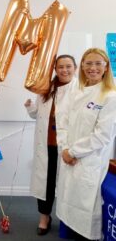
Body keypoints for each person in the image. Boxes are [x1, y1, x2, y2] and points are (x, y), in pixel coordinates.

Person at [56, 48, 116, 241]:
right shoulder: (76, 90)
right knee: (68, 208)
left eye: (98, 63)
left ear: (106, 67)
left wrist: (73, 152)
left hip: (89, 161)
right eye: (88, 63)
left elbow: (102, 136)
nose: (93, 68)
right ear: (81, 66)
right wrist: (64, 149)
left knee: (85, 214)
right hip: (69, 159)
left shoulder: (110, 96)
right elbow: (62, 120)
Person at [24, 55, 77, 236]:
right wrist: (30, 107)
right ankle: (44, 217)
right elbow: (37, 115)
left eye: (68, 66)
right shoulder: (46, 88)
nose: (64, 70)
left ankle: (68, 219)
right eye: (61, 67)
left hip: (68, 147)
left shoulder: (80, 90)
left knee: (66, 184)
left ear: (75, 68)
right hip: (46, 145)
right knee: (45, 184)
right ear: (55, 69)